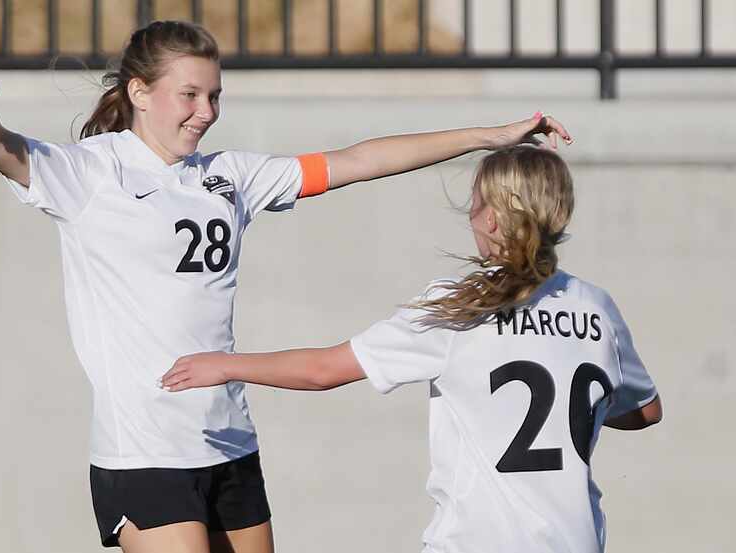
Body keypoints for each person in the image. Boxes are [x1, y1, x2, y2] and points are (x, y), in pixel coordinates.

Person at [0, 19, 572, 553]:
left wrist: (490, 136)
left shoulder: (231, 177)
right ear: (139, 91)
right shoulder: (90, 172)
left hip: (230, 442)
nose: (206, 112)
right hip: (145, 452)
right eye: (189, 95)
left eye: (215, 96)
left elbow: (360, 160)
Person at [161, 145, 663, 553]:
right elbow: (645, 410)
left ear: (491, 220)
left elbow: (324, 370)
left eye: (476, 201)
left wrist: (225, 364)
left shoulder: (459, 306)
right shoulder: (596, 307)